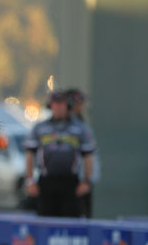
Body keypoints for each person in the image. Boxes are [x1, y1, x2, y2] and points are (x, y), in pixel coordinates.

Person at [24, 91, 97, 217]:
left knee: (70, 219)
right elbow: (30, 154)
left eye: (62, 104)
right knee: (45, 219)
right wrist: (30, 181)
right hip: (46, 181)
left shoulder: (80, 128)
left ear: (67, 106)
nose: (58, 107)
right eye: (56, 104)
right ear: (51, 105)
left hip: (70, 182)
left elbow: (88, 156)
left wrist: (86, 181)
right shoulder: (40, 128)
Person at [66, 88, 100, 217]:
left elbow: (91, 157)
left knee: (82, 217)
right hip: (67, 181)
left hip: (81, 182)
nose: (82, 106)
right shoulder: (64, 126)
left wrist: (87, 181)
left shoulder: (82, 126)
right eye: (79, 102)